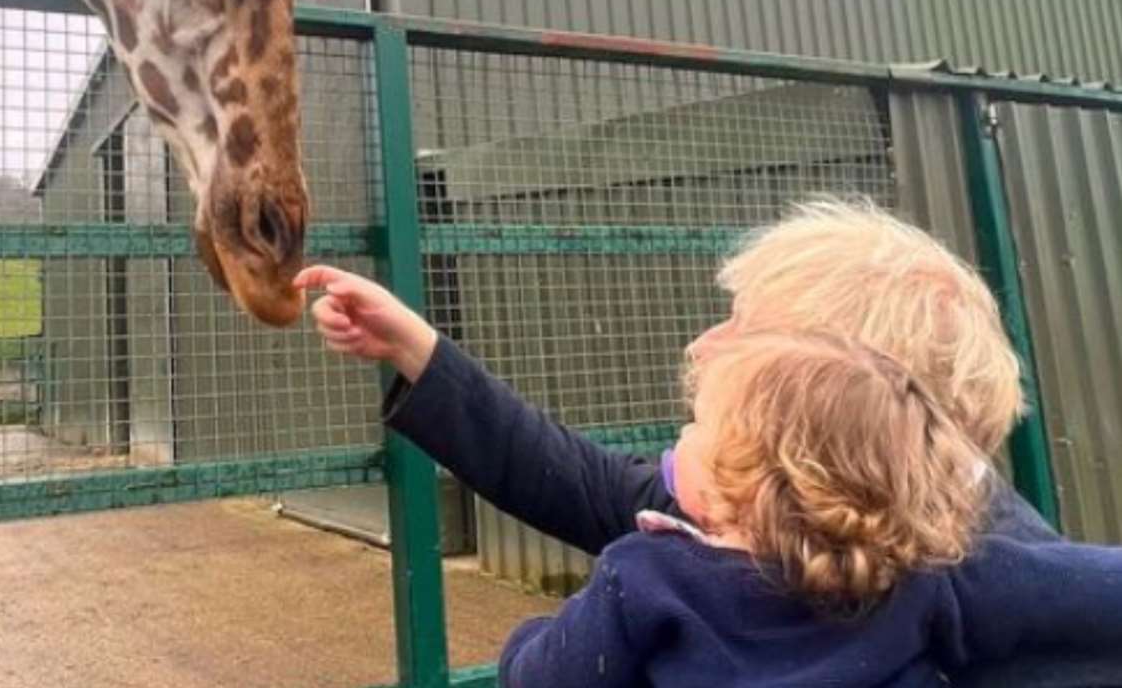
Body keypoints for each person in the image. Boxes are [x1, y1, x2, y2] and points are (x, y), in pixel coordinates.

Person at [294, 199, 1121, 686]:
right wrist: (418, 352)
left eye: (743, 332)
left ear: (835, 402)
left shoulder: (999, 607)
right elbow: (591, 488)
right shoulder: (805, 516)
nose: (700, 347)